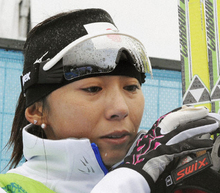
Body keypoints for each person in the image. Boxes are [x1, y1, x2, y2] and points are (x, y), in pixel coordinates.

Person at [0, 8, 219, 193]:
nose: (121, 109)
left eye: (131, 87)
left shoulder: (160, 178)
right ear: (37, 111)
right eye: (93, 89)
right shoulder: (9, 188)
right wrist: (133, 178)